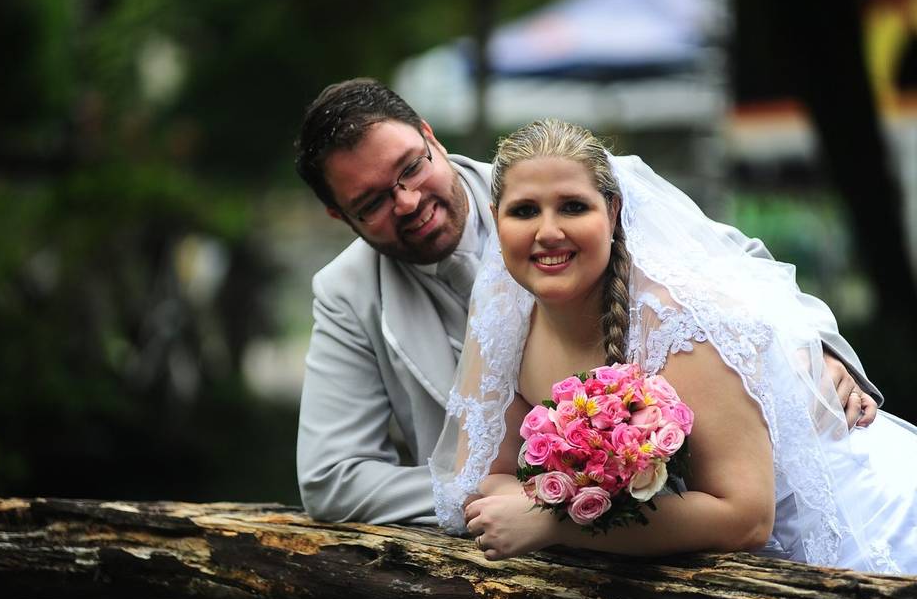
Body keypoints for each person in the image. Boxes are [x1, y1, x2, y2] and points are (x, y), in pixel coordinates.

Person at [294, 78, 879, 526]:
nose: (407, 201)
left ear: (430, 136)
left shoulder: (559, 179)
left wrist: (817, 350)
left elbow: (740, 267)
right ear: (337, 215)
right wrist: (502, 490)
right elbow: (332, 479)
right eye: (370, 201)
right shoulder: (344, 291)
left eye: (411, 168)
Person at [430, 119, 917, 574]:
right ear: (496, 220)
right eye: (524, 211)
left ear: (613, 210)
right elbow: (483, 478)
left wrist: (556, 522)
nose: (549, 231)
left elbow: (745, 517)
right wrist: (564, 500)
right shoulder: (503, 312)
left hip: (858, 533)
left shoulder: (681, 322)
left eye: (573, 206)